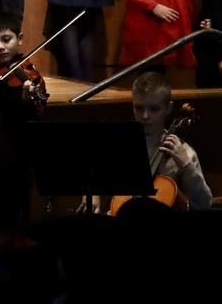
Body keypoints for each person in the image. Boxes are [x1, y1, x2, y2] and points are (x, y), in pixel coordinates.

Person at [83, 71, 213, 213]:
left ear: (168, 108)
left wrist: (186, 166)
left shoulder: (184, 152)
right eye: (139, 108)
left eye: (154, 109)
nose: (145, 116)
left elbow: (204, 204)